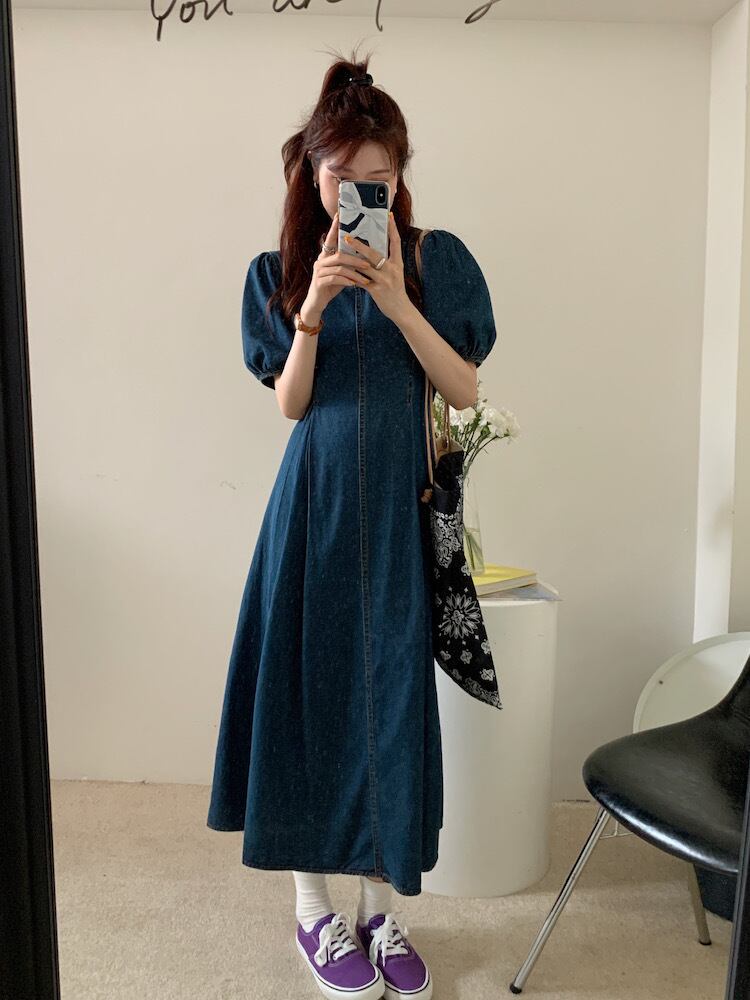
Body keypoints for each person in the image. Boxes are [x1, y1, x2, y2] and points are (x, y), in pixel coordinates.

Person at [206, 48, 498, 1000]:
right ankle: (312, 911)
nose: (360, 192)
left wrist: (398, 303)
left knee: (392, 704)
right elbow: (291, 406)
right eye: (342, 176)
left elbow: (463, 388)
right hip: (315, 514)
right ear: (312, 173)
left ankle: (380, 912)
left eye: (380, 176)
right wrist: (317, 306)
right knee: (308, 697)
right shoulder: (279, 273)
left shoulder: (434, 260)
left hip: (401, 520)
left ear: (399, 175)